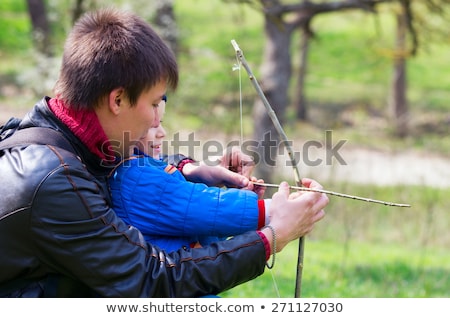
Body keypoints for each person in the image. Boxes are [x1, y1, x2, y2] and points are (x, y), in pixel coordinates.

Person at [0, 8, 328, 297]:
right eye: (155, 103)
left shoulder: (71, 141)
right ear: (117, 100)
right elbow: (154, 280)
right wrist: (273, 236)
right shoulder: (52, 181)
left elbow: (132, 169)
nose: (158, 118)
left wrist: (195, 171)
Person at [108, 96, 268, 252]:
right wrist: (267, 210)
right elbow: (203, 208)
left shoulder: (147, 170)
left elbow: (201, 230)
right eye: (151, 125)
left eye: (161, 123)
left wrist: (239, 197)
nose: (161, 133)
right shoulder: (137, 178)